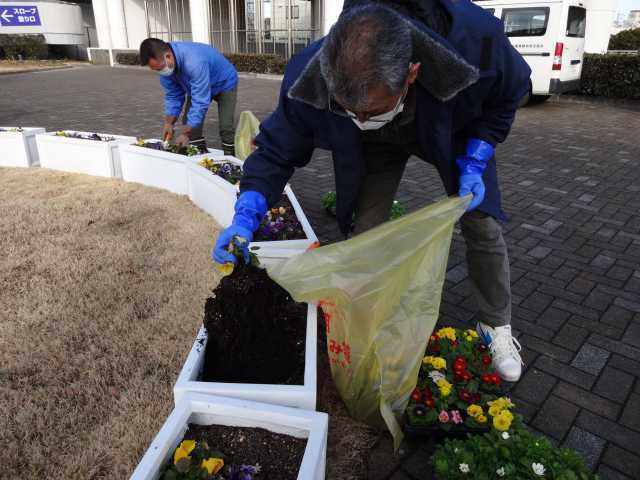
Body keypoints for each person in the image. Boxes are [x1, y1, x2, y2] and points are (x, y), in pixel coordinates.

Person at [213, 0, 531, 382]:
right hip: (379, 148)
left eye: (371, 111)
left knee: (482, 222)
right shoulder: (309, 74)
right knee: (365, 229)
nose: (361, 120)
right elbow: (277, 150)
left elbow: (510, 94)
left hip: (451, 129)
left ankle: (496, 325)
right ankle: (365, 314)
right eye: (350, 110)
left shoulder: (474, 41)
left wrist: (478, 154)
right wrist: (247, 212)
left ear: (411, 73)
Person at [139, 38, 238, 155]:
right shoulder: (165, 67)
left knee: (226, 127)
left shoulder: (194, 62)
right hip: (196, 85)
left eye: (160, 68)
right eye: (156, 70)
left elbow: (200, 101)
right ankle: (200, 155)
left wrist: (185, 134)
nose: (160, 72)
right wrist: (169, 123)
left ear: (168, 56)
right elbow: (173, 96)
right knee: (190, 125)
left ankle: (230, 157)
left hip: (224, 83)